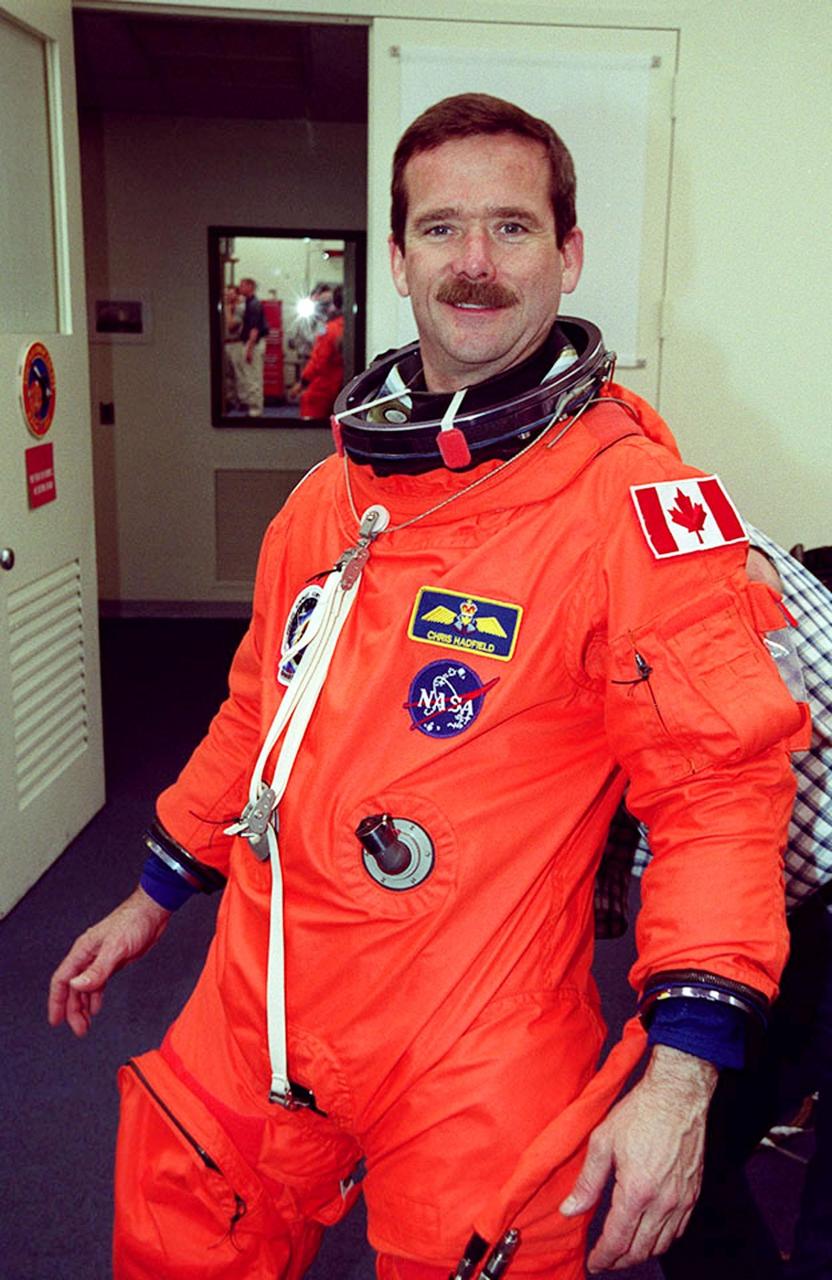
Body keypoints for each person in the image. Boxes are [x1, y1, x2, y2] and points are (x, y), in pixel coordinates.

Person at [48, 94, 808, 1280]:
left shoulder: (633, 511)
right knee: (177, 1233)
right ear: (397, 259)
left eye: (511, 226)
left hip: (475, 1034)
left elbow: (718, 793)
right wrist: (153, 890)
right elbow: (260, 715)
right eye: (441, 228)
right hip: (265, 987)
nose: (473, 262)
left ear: (568, 253)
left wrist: (679, 1080)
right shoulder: (327, 501)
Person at [596, 531, 832, 1280]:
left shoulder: (682, 554)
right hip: (785, 913)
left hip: (792, 886)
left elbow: (749, 769)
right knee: (678, 1178)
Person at [293, 285, 345, 419]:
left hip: (324, 384)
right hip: (339, 383)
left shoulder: (331, 329)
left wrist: (303, 382)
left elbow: (319, 361)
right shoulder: (346, 326)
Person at [233, 276, 269, 417]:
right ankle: (253, 408)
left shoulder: (254, 304)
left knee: (253, 377)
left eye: (242, 285)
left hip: (253, 344)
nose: (239, 287)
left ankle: (256, 410)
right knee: (250, 377)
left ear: (250, 287)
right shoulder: (249, 303)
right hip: (252, 343)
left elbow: (254, 329)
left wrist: (249, 348)